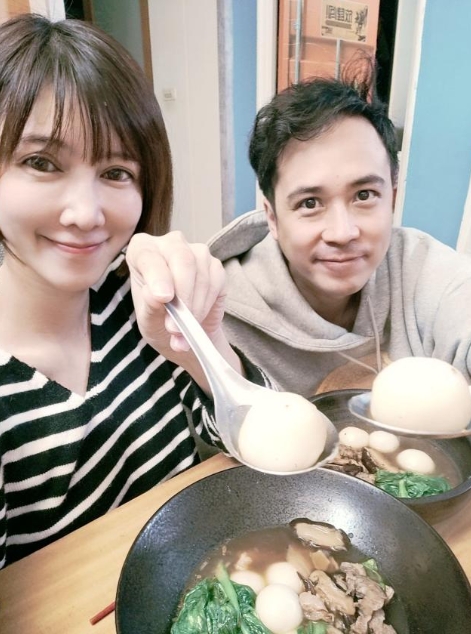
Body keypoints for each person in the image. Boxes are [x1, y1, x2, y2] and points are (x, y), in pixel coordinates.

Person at [0, 14, 269, 569]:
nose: (85, 214)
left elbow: (261, 449)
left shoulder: (136, 303)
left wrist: (202, 344)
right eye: (41, 163)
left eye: (116, 171)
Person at [209, 69, 471, 398]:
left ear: (391, 197)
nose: (342, 233)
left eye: (364, 195)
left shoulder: (421, 269)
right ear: (272, 218)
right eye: (309, 203)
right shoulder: (218, 314)